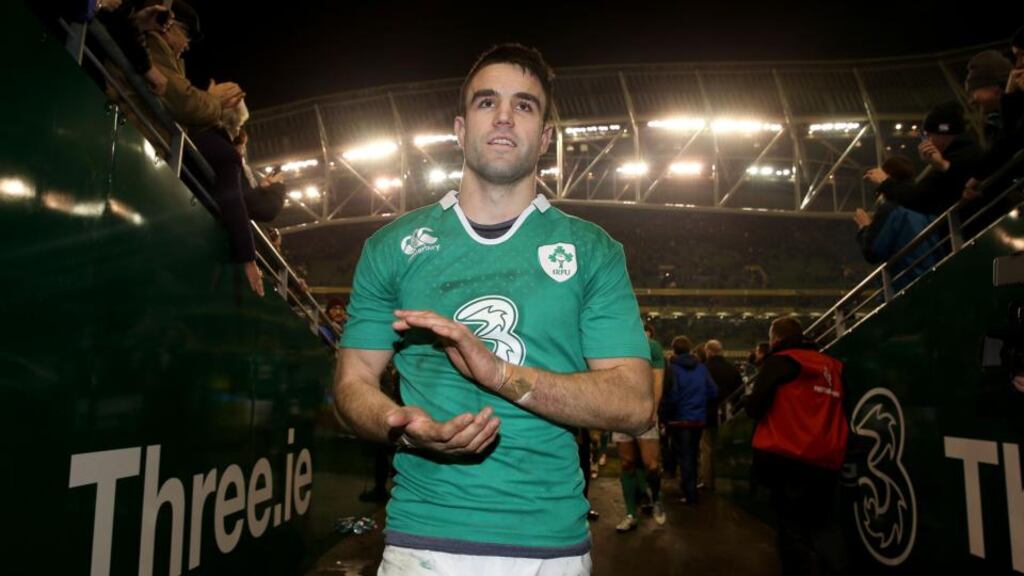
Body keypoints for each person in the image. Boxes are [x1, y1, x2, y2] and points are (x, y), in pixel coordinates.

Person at [334, 44, 652, 576]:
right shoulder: (392, 247)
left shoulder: (593, 250)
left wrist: (501, 374)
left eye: (524, 106)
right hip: (421, 541)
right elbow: (351, 384)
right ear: (460, 129)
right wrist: (401, 424)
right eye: (487, 103)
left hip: (550, 548)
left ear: (545, 138)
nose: (504, 117)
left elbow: (636, 403)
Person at [745, 317, 849, 576]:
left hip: (786, 456)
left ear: (775, 339)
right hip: (827, 458)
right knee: (825, 526)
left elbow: (755, 407)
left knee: (791, 530)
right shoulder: (834, 366)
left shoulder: (779, 361)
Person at [868, 100, 982, 216]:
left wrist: (885, 182)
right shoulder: (965, 152)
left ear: (942, 134)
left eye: (928, 135)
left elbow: (920, 198)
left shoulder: (960, 158)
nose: (927, 141)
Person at [856, 156, 941, 290]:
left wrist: (865, 228)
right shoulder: (927, 204)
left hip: (905, 283)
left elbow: (872, 253)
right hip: (935, 276)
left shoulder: (891, 209)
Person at [613, 323, 667, 531]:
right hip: (620, 411)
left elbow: (658, 379)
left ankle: (656, 498)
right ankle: (630, 513)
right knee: (626, 463)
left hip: (644, 410)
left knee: (651, 464)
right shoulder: (615, 345)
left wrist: (653, 409)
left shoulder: (651, 346)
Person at [662, 335, 717, 505]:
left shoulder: (673, 369)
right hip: (698, 420)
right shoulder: (701, 368)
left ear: (674, 350)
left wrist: (666, 417)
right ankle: (691, 490)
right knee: (693, 455)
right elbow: (713, 391)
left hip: (680, 420)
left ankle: (690, 494)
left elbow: (672, 396)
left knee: (684, 456)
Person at [701, 339, 742, 490]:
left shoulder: (704, 368)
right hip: (728, 414)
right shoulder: (732, 369)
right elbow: (740, 391)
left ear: (709, 352)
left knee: (707, 449)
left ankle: (708, 482)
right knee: (725, 447)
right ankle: (727, 483)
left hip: (707, 413)